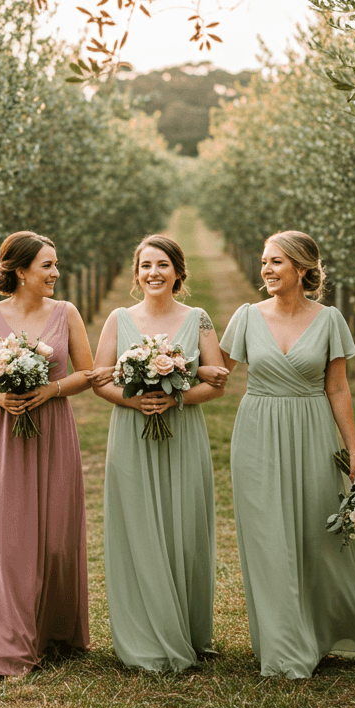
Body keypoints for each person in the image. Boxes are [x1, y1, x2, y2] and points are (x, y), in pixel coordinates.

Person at [208, 230, 355, 680]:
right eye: (265, 262)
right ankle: (285, 646)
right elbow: (215, 374)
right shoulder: (247, 317)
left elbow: (338, 387)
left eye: (276, 262)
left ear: (302, 269)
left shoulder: (330, 320)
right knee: (268, 537)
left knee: (317, 535)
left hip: (312, 431)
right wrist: (156, 378)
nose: (265, 270)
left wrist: (354, 451)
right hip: (257, 433)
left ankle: (329, 631)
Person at [0, 230, 104, 677]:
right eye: (48, 266)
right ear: (21, 271)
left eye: (56, 264)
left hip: (54, 429)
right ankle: (6, 640)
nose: (56, 273)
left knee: (56, 536)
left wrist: (49, 390)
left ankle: (54, 632)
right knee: (9, 536)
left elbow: (90, 372)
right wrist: (0, 399)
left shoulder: (66, 313)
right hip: (4, 434)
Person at [93, 234, 228, 671]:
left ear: (178, 272)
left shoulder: (199, 319)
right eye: (146, 265)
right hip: (132, 433)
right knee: (138, 526)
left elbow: (216, 382)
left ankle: (186, 630)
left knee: (183, 524)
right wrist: (132, 400)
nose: (154, 273)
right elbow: (100, 378)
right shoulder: (118, 318)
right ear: (137, 273)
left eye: (163, 265)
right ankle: (143, 634)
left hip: (182, 432)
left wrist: (178, 397)